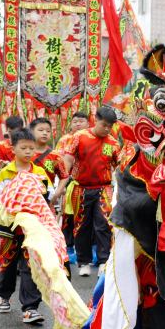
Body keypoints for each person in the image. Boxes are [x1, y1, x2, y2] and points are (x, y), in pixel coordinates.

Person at [0, 128, 51, 325]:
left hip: (32, 228)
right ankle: (4, 296)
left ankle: (30, 308)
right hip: (8, 227)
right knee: (7, 263)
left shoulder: (39, 172)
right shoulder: (5, 173)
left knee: (30, 264)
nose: (28, 152)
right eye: (23, 148)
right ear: (13, 149)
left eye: (31, 148)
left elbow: (45, 196)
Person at [62, 107, 122, 277]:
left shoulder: (113, 143)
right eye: (104, 125)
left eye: (110, 126)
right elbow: (67, 158)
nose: (107, 129)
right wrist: (63, 181)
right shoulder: (79, 137)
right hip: (81, 188)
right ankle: (83, 262)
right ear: (96, 119)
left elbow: (119, 167)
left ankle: (103, 261)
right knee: (81, 225)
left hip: (104, 188)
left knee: (103, 223)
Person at [55, 112, 90, 265]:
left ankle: (89, 249)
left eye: (81, 121)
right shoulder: (64, 140)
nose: (77, 124)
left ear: (88, 123)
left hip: (89, 181)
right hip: (69, 180)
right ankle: (68, 247)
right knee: (67, 216)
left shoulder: (93, 138)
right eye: (74, 121)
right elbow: (58, 161)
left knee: (87, 216)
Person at [29, 117, 69, 206]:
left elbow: (64, 176)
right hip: (26, 196)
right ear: (31, 132)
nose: (44, 133)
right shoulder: (26, 153)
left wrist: (57, 192)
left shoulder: (55, 156)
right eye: (41, 130)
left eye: (48, 131)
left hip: (47, 199)